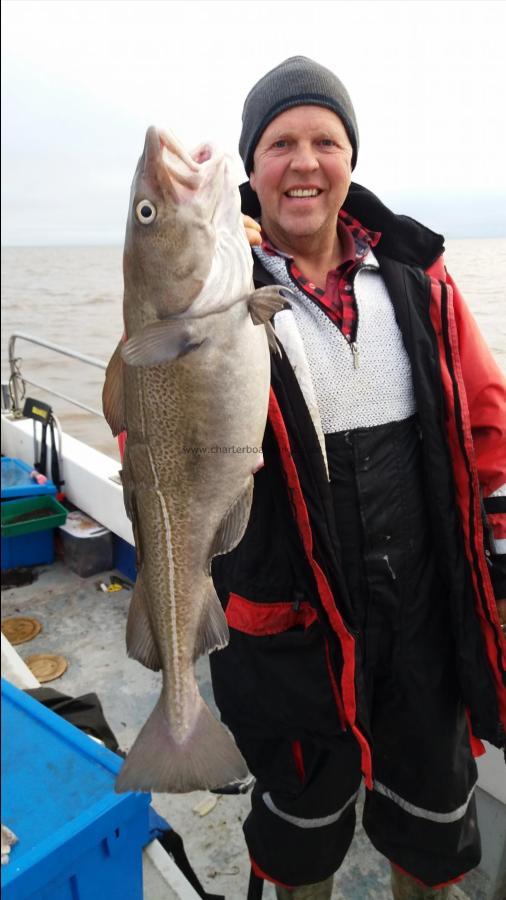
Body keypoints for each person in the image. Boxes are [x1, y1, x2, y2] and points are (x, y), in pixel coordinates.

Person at [210, 57, 506, 900]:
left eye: (325, 141)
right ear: (250, 168)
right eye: (279, 143)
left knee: (434, 837)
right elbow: (152, 425)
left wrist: (502, 556)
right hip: (285, 629)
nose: (304, 161)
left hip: (423, 619)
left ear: (350, 160)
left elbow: (488, 421)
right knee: (301, 849)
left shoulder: (419, 275)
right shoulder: (211, 286)